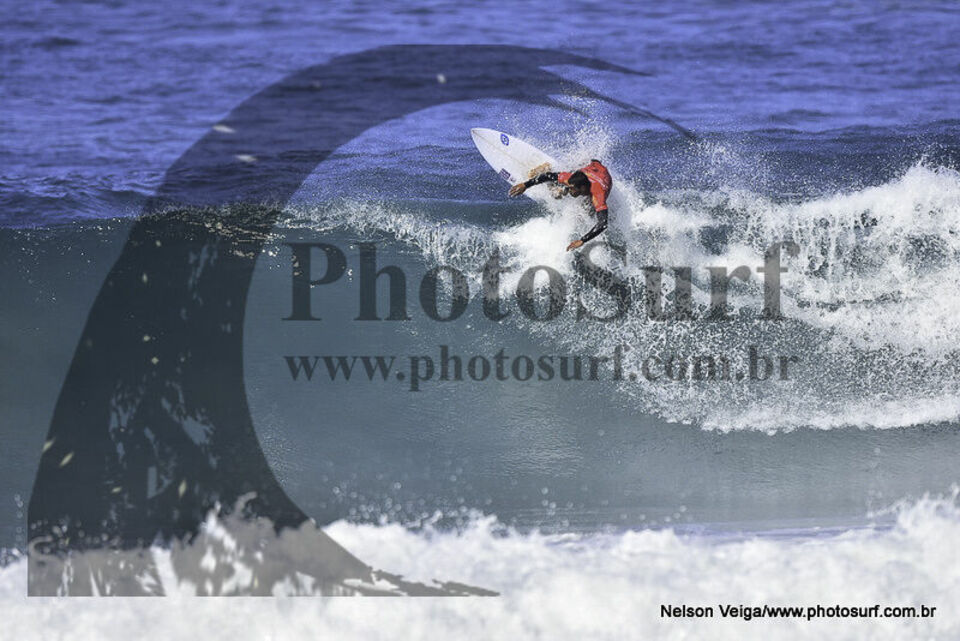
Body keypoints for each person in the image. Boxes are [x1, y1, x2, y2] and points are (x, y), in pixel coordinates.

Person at [508, 159, 612, 251]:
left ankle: (562, 189)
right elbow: (548, 176)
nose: (571, 189)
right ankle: (545, 168)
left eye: (572, 188)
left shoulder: (598, 196)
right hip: (592, 168)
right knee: (558, 194)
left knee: (588, 212)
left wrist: (582, 240)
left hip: (599, 175)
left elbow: (602, 223)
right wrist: (525, 185)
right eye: (570, 187)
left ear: (583, 188)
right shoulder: (571, 179)